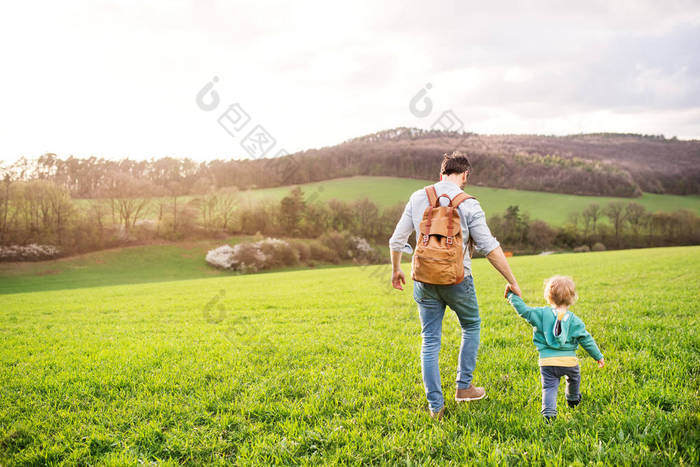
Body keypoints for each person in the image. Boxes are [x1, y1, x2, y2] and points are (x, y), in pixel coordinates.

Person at [389, 151, 521, 420]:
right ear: (464, 175)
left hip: (423, 280)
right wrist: (512, 280)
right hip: (459, 280)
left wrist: (396, 270)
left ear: (441, 174)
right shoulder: (469, 204)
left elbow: (396, 240)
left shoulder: (418, 197)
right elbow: (490, 248)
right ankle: (464, 387)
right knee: (471, 326)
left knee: (430, 341)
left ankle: (435, 407)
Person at [505, 275, 605, 421]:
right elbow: (586, 340)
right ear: (572, 298)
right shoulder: (575, 320)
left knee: (549, 388)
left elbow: (524, 311)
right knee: (574, 379)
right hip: (569, 362)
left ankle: (549, 414)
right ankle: (573, 399)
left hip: (547, 362)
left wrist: (511, 296)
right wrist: (598, 356)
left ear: (548, 297)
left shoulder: (540, 314)